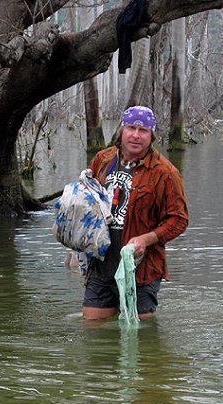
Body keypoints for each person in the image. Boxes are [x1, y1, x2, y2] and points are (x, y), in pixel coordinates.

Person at [82, 105, 188, 321]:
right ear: (122, 130)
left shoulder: (165, 173)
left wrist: (145, 239)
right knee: (93, 334)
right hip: (101, 267)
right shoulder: (103, 160)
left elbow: (178, 219)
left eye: (144, 131)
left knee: (142, 340)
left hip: (141, 272)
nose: (136, 135)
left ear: (152, 136)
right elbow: (87, 199)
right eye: (131, 128)